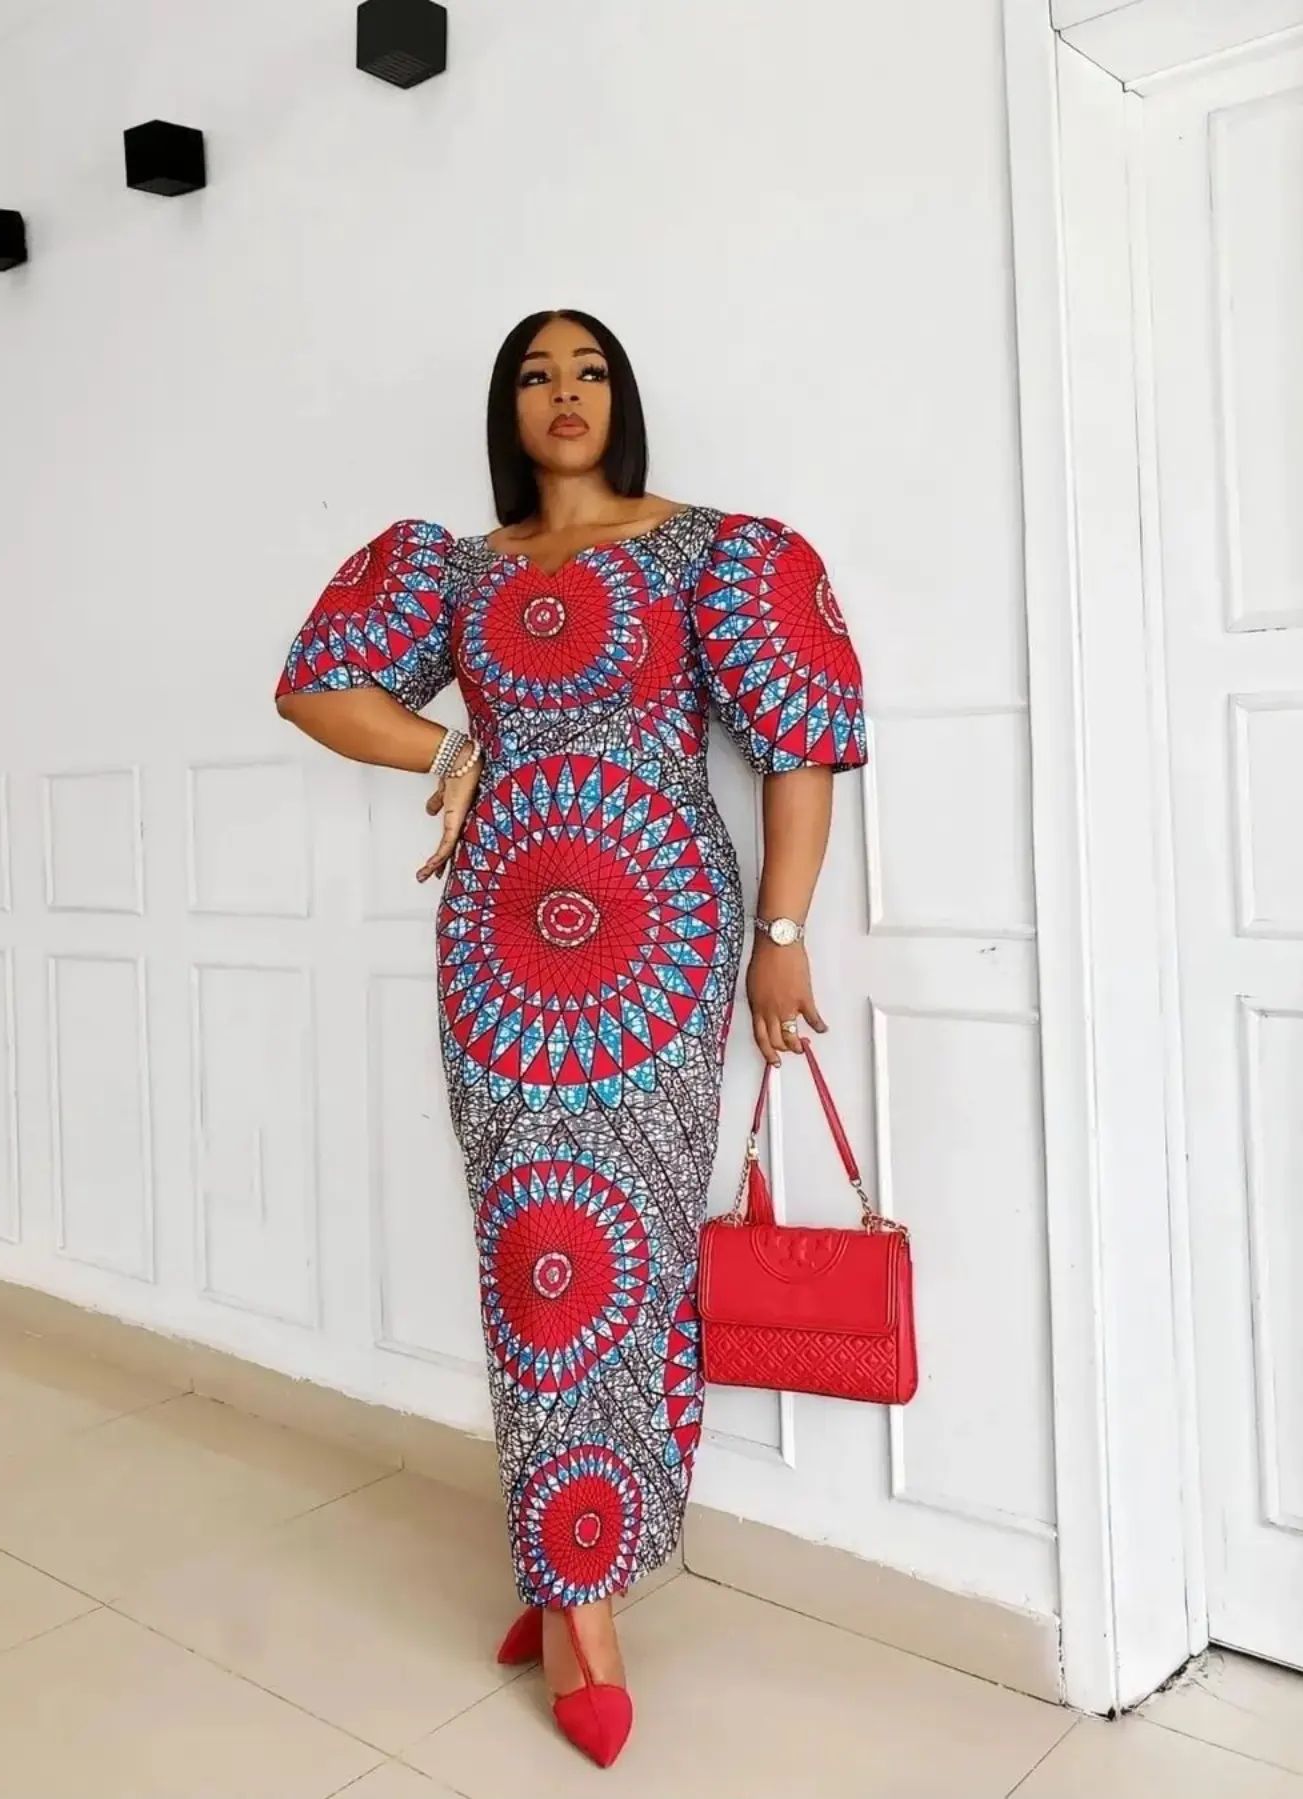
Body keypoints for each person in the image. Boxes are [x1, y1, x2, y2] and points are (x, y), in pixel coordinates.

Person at [274, 308, 868, 1767]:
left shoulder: (713, 552)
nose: (564, 393)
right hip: (498, 956)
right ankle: (574, 1588)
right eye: (535, 375)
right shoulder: (456, 571)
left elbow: (799, 742)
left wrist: (781, 934)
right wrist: (453, 748)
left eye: (588, 370)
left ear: (622, 397)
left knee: (632, 1254)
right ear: (507, 408)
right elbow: (314, 685)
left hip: (659, 948)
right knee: (535, 1254)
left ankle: (577, 1573)